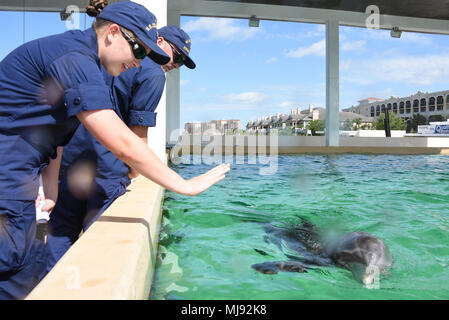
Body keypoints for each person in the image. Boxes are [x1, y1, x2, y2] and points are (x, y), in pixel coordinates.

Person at [0, 1, 229, 300]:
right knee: (14, 276)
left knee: (34, 264)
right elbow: (122, 141)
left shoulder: (85, 60)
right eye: (138, 51)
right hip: (8, 180)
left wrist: (51, 190)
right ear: (113, 33)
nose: (140, 61)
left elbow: (54, 138)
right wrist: (184, 185)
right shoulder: (76, 59)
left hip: (21, 175)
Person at [45, 2, 198, 273]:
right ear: (157, 40)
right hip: (107, 167)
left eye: (182, 62)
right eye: (176, 56)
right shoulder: (153, 74)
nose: (176, 64)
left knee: (60, 235)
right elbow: (137, 134)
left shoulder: (97, 57)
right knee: (101, 249)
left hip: (70, 158)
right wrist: (133, 171)